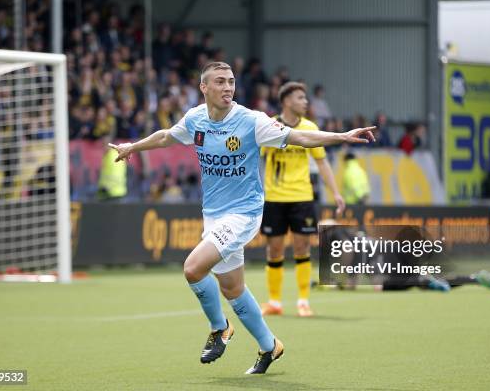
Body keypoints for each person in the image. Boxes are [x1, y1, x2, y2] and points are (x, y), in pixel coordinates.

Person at [109, 61, 375, 374]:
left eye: (231, 82)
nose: (227, 87)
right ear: (204, 88)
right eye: (219, 82)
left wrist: (342, 136)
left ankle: (219, 328)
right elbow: (167, 136)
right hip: (214, 214)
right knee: (233, 289)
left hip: (244, 212)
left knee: (193, 269)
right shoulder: (195, 118)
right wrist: (133, 147)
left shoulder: (251, 121)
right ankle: (269, 346)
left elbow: (299, 138)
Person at [259, 81, 345, 318]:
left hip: (302, 197)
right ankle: (274, 302)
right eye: (300, 98)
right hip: (275, 197)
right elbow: (259, 158)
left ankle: (303, 301)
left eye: (305, 98)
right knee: (274, 250)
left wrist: (335, 192)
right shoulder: (269, 126)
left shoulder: (310, 127)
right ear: (287, 101)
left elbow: (322, 161)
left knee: (302, 247)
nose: (305, 102)